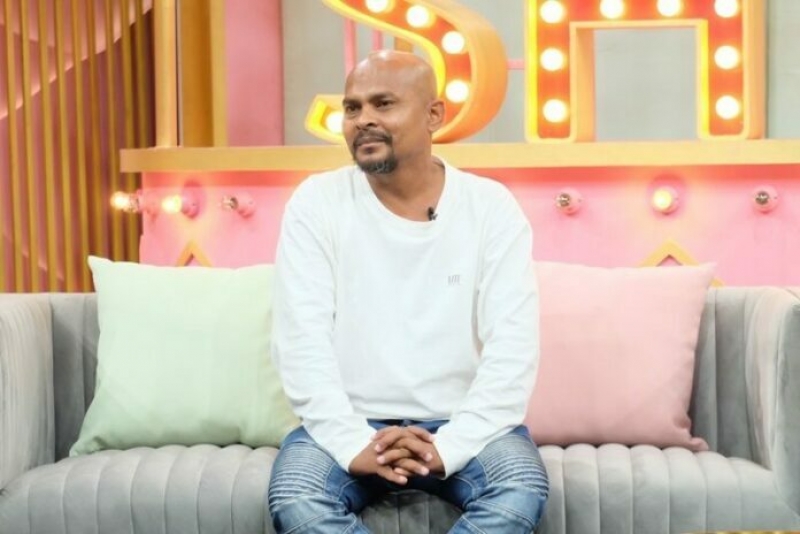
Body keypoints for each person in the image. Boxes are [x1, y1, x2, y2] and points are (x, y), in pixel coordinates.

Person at [268, 50, 548, 533]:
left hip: (465, 423)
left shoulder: (490, 207)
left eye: (383, 104)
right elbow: (300, 343)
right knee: (296, 498)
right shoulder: (316, 203)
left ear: (433, 115)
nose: (363, 120)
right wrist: (351, 441)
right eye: (352, 108)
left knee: (518, 490)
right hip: (349, 421)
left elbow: (512, 350)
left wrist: (451, 445)